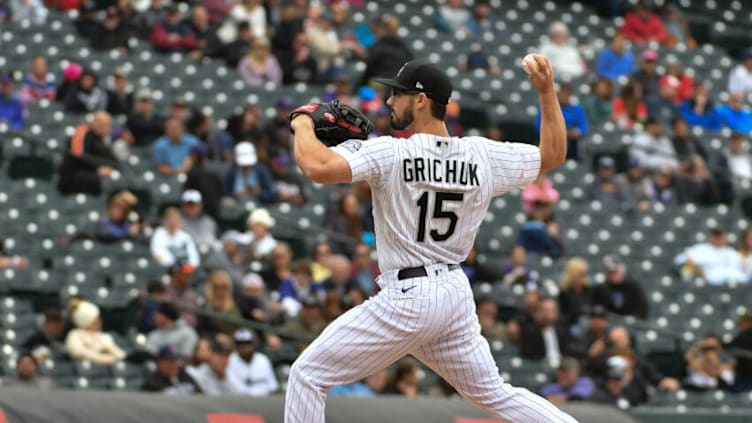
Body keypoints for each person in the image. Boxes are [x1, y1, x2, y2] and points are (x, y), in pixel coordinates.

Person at [285, 56, 576, 423]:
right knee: (494, 394)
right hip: (453, 294)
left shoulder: (391, 151)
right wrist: (547, 91)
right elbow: (554, 154)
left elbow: (317, 167)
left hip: (409, 297)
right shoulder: (481, 155)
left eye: (397, 93)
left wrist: (301, 121)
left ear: (420, 100)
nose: (390, 101)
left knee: (307, 375)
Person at [57, 111, 118, 196]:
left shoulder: (99, 139)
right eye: (107, 125)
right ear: (96, 124)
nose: (109, 129)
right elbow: (79, 156)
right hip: (72, 179)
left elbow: (112, 160)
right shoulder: (81, 133)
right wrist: (97, 170)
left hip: (87, 176)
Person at [674, 225, 746, 284]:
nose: (718, 238)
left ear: (725, 237)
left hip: (729, 284)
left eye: (720, 235)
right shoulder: (701, 248)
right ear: (710, 237)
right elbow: (679, 260)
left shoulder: (732, 253)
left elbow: (743, 271)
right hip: (705, 284)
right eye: (716, 235)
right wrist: (694, 267)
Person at [518, 298, 571, 367]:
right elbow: (528, 354)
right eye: (545, 310)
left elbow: (567, 349)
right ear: (537, 313)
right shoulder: (529, 331)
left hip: (561, 365)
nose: (548, 314)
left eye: (552, 311)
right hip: (539, 366)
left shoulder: (562, 329)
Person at [227, 329, 278, 396]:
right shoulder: (230, 360)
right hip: (240, 401)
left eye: (247, 343)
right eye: (240, 344)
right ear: (236, 346)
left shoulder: (263, 359)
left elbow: (273, 386)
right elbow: (235, 388)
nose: (244, 347)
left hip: (265, 400)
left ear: (253, 344)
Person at [557, 257, 593, 327]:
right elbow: (564, 317)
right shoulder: (564, 294)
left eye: (585, 274)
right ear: (573, 275)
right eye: (581, 275)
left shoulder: (589, 290)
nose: (584, 277)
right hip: (572, 326)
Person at [726, 313, 752, 391]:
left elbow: (731, 346)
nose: (741, 325)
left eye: (743, 323)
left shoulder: (747, 334)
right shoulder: (744, 334)